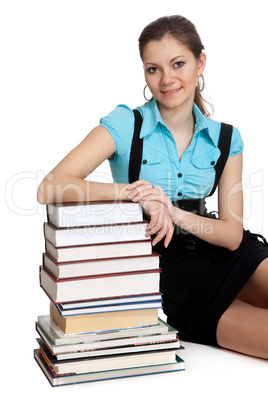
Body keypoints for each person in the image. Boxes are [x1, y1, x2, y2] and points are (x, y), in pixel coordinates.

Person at [37, 15, 268, 359]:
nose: (167, 79)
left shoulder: (226, 138)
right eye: (153, 68)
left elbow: (232, 235)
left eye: (178, 64)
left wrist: (170, 208)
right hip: (179, 280)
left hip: (232, 255)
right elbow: (51, 186)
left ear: (200, 63)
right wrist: (138, 194)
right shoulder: (125, 124)